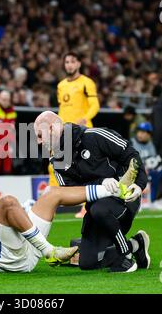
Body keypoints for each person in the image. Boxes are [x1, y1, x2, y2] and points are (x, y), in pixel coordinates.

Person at [34, 111, 150, 273]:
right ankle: (136, 244)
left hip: (123, 199)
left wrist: (139, 184)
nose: (38, 142)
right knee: (87, 263)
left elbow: (130, 154)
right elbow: (71, 193)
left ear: (52, 128)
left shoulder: (94, 136)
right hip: (97, 211)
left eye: (40, 135)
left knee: (99, 209)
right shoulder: (56, 162)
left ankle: (126, 257)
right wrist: (101, 185)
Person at [0, 166, 144, 272]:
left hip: (29, 245)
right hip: (7, 259)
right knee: (7, 202)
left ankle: (116, 191)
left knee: (52, 193)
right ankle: (50, 251)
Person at [55, 52, 100, 218]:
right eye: (66, 62)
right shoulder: (61, 85)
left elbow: (95, 105)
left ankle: (87, 205)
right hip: (65, 132)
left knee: (86, 167)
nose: (69, 65)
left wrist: (85, 118)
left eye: (72, 61)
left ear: (79, 64)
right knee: (59, 165)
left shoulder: (87, 82)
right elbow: (62, 109)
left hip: (82, 130)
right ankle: (56, 201)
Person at [131, 122, 162, 210]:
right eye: (140, 131)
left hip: (149, 169)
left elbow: (153, 159)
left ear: (149, 134)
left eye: (144, 132)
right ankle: (152, 202)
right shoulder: (132, 143)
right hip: (135, 171)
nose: (141, 134)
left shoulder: (150, 144)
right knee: (154, 174)